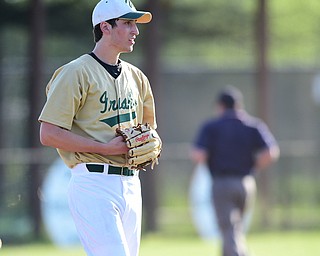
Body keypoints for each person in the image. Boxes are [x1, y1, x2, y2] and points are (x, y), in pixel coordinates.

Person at [38, 1, 157, 255]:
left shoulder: (137, 77)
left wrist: (153, 143)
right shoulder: (75, 73)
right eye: (127, 23)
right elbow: (48, 134)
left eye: (135, 23)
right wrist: (103, 147)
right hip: (93, 182)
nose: (135, 30)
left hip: (131, 183)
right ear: (105, 27)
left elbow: (149, 131)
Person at [191, 86, 279, 256]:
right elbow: (271, 152)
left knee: (228, 228)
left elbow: (198, 154)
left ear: (220, 106)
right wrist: (254, 165)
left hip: (222, 183)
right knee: (234, 229)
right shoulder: (253, 125)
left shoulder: (212, 127)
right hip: (246, 183)